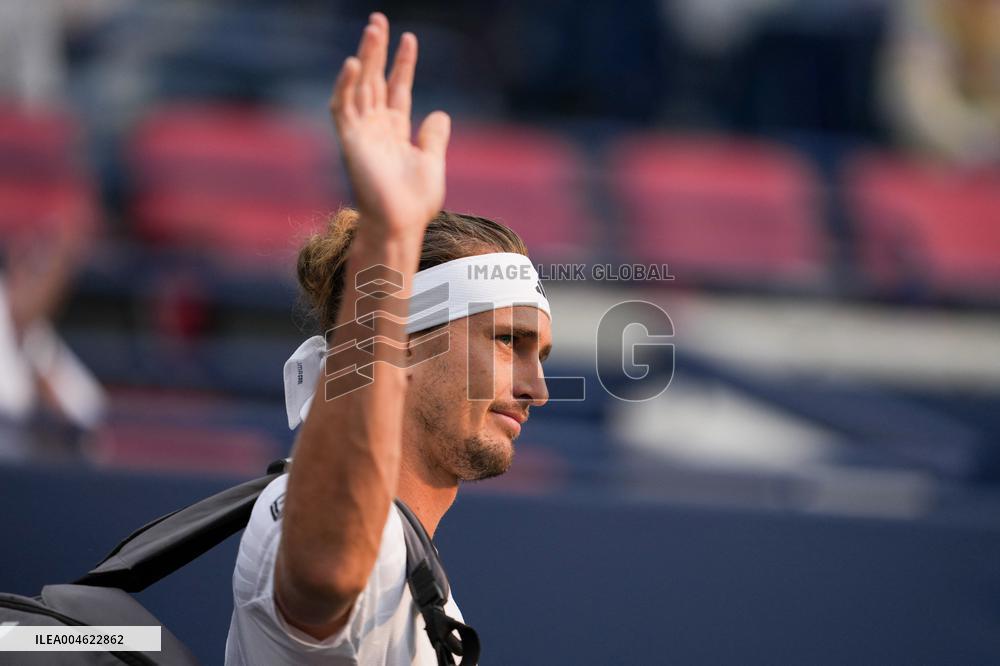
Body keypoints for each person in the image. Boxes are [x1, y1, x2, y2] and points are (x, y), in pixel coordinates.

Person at [224, 12, 552, 665]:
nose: (536, 389)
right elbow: (325, 573)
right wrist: (390, 234)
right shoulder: (328, 523)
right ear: (400, 340)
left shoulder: (411, 565)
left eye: (539, 355)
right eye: (507, 341)